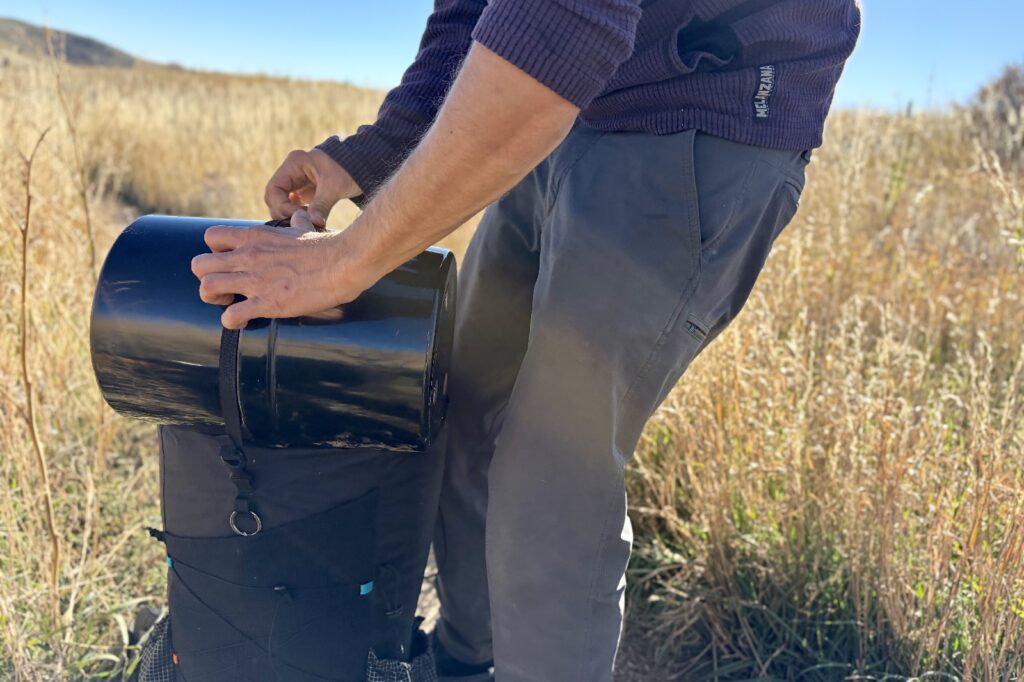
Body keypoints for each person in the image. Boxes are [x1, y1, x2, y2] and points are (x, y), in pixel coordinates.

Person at [190, 0, 861, 679]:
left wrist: (345, 261)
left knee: (549, 475)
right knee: (464, 405)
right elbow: (478, 15)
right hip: (573, 118)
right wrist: (371, 152)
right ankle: (463, 660)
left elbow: (570, 21)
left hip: (700, 115)